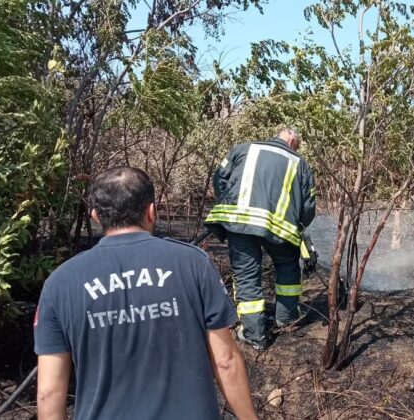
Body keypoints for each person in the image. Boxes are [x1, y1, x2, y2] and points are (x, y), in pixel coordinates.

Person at [34, 167, 257, 420]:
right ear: (151, 211)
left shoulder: (60, 283)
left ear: (96, 216)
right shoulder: (193, 264)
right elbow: (225, 360)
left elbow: (49, 393)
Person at [205, 128, 316, 350]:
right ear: (292, 140)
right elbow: (308, 205)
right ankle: (287, 319)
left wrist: (229, 204)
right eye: (297, 145)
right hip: (280, 230)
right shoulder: (300, 163)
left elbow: (220, 178)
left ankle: (254, 335)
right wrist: (299, 225)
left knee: (246, 276)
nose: (296, 149)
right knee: (288, 270)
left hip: (240, 225)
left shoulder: (243, 149)